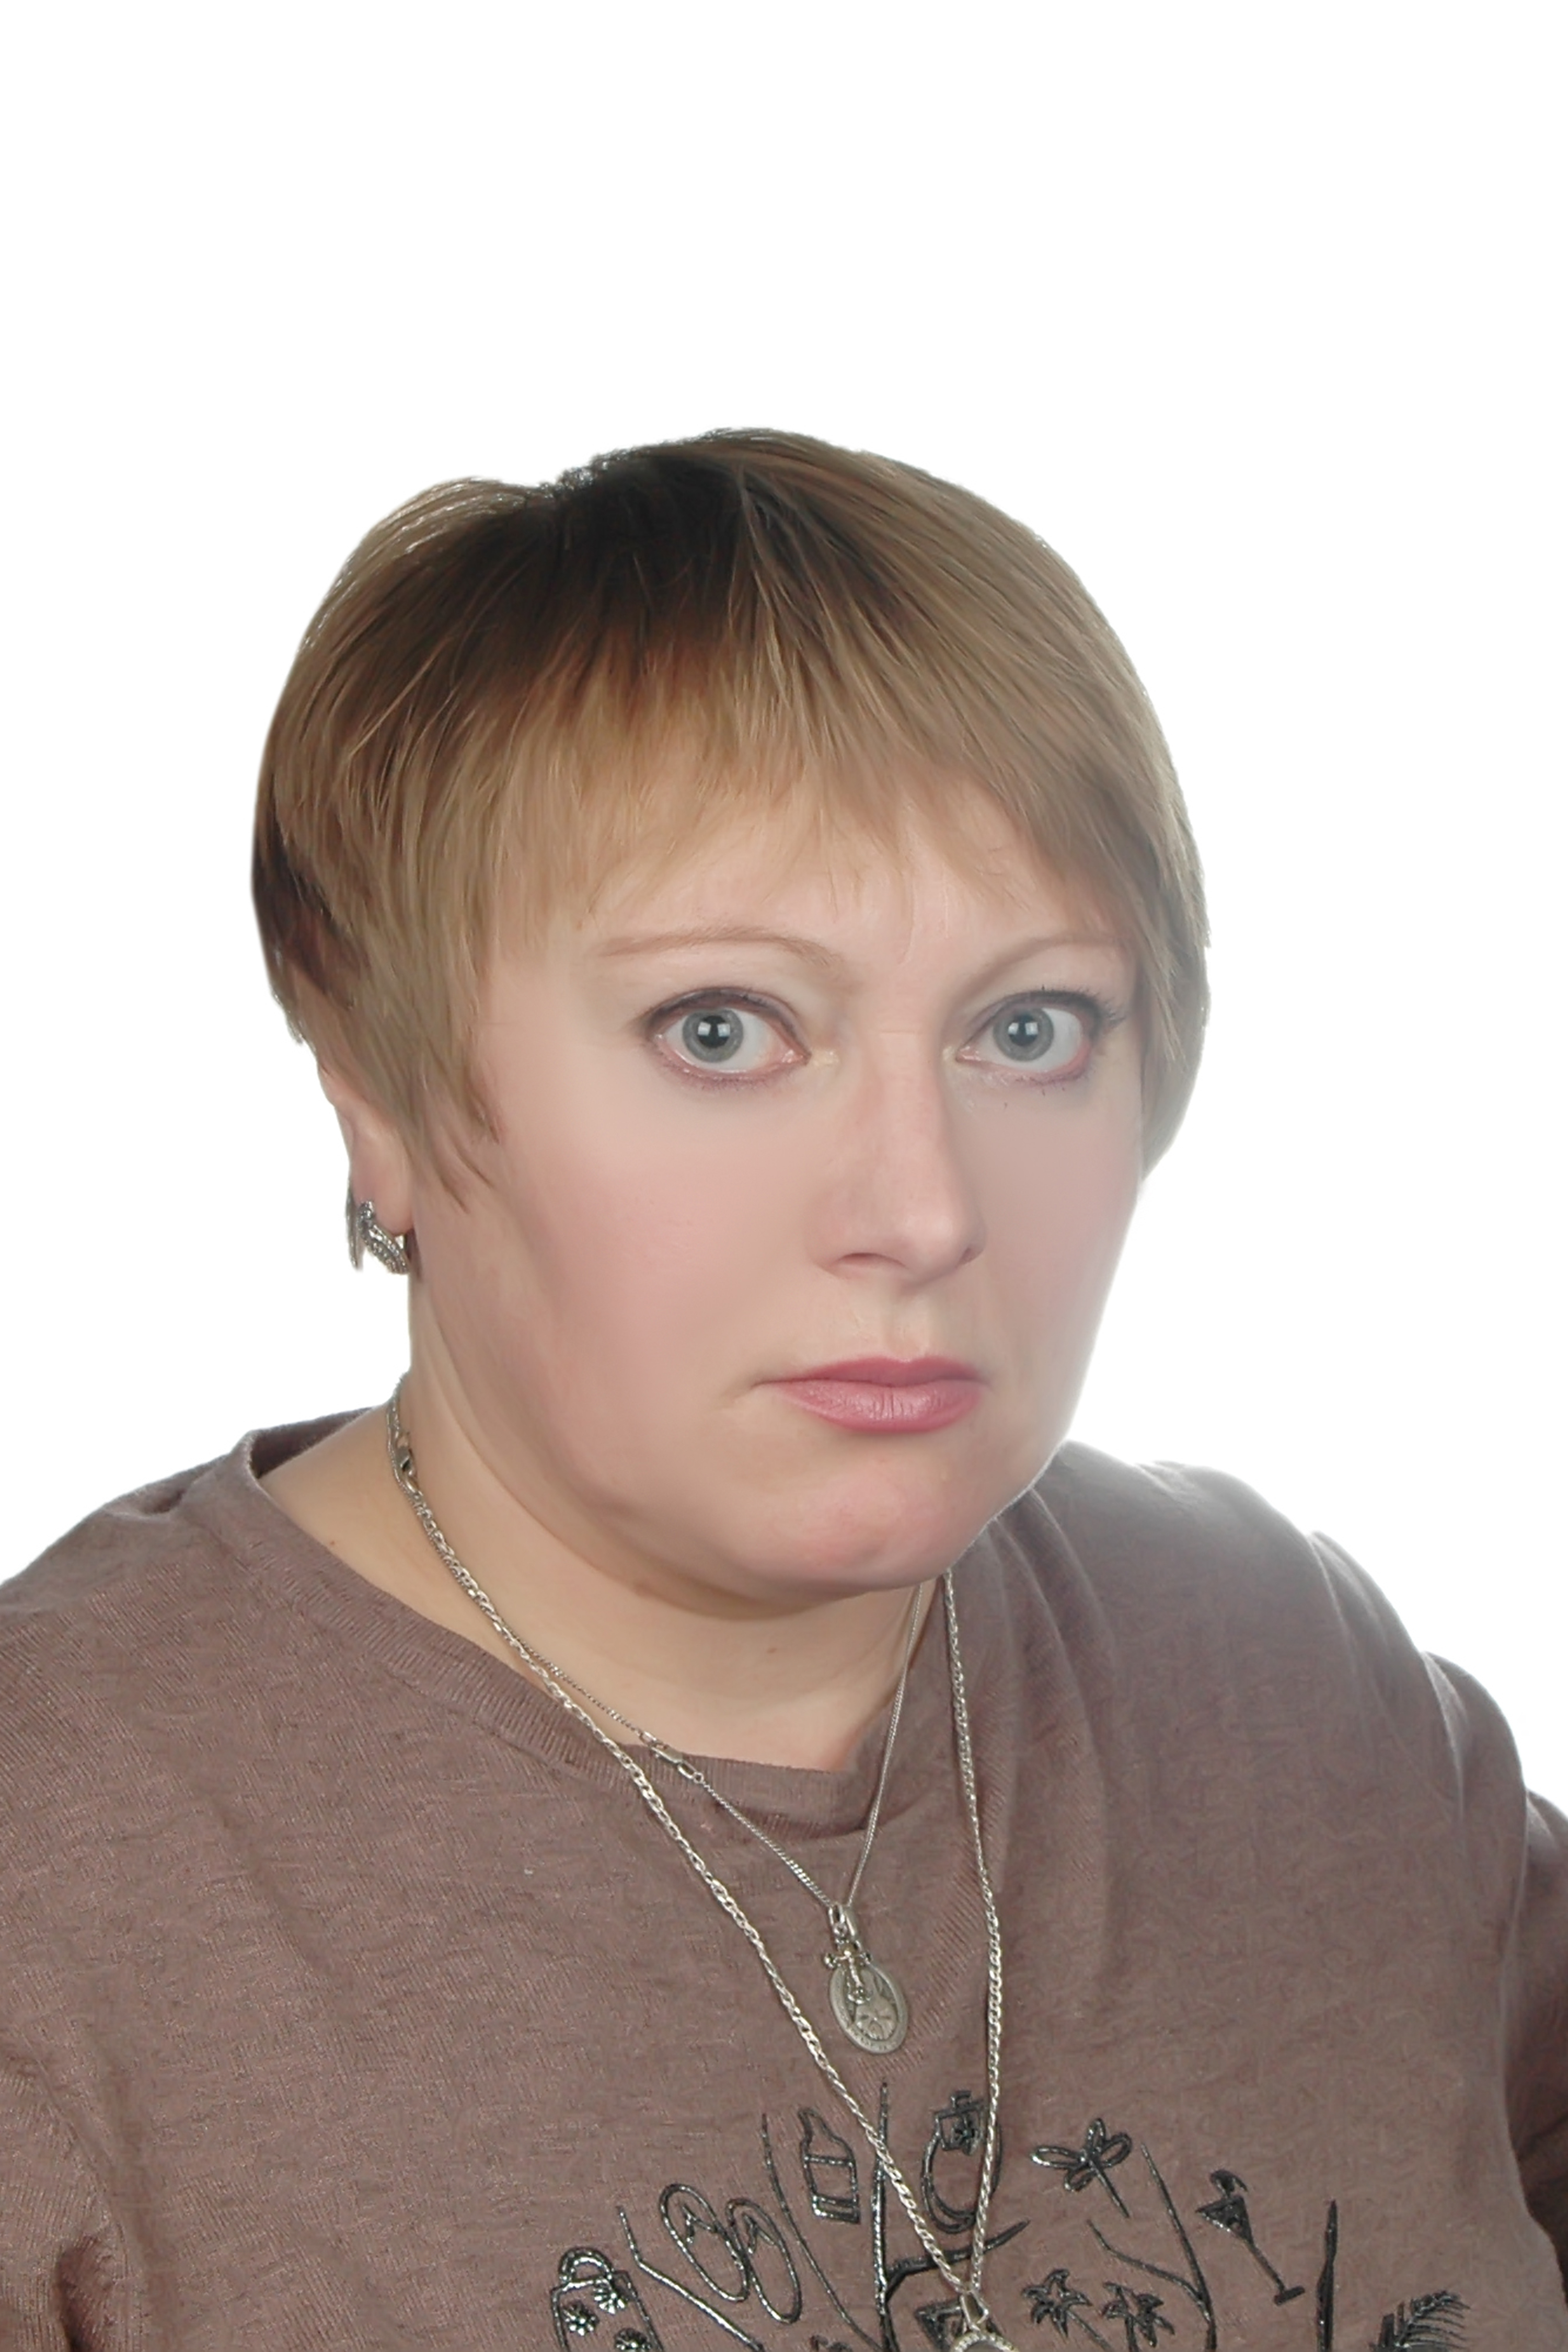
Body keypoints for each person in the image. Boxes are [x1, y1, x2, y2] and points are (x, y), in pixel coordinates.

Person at [2, 432, 1564, 2352]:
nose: (921, 1209)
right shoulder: (56, 1876)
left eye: (1029, 1027)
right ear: (378, 1087)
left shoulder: (1296, 1682)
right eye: (724, 1030)